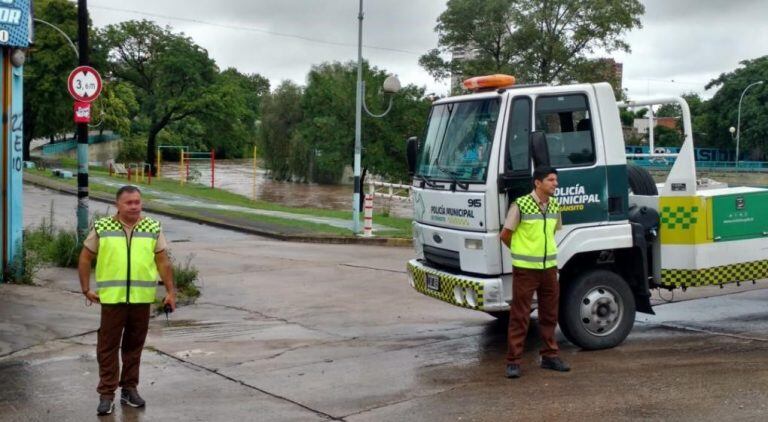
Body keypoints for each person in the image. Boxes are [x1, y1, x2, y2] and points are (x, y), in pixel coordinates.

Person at [78, 185, 176, 415]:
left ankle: (129, 389)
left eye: (137, 202)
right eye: (129, 202)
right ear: (117, 205)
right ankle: (106, 394)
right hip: (112, 300)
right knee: (107, 348)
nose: (134, 206)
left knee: (134, 347)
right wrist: (85, 289)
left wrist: (171, 292)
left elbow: (163, 262)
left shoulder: (152, 226)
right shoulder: (103, 226)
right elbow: (85, 258)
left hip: (141, 300)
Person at [499, 166, 570, 378]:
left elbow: (551, 235)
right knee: (520, 316)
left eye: (556, 180)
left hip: (549, 269)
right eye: (550, 180)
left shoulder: (555, 205)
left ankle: (550, 356)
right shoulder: (520, 205)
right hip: (526, 270)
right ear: (537, 183)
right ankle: (513, 361)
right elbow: (505, 235)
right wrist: (520, 252)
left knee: (549, 314)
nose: (555, 184)